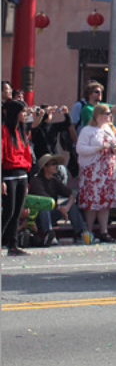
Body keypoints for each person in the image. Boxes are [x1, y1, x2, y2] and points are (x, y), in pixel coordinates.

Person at [75, 103, 116, 242]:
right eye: (107, 113)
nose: (110, 116)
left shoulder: (110, 128)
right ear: (98, 115)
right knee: (92, 202)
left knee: (105, 203)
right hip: (93, 172)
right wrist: (98, 148)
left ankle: (104, 231)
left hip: (108, 171)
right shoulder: (87, 130)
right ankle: (89, 231)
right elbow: (80, 148)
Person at [29, 153, 86, 244]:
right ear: (45, 167)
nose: (56, 166)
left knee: (72, 206)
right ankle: (49, 234)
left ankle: (80, 233)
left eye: (56, 164)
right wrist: (59, 208)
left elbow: (71, 195)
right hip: (38, 217)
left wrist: (66, 207)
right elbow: (45, 201)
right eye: (53, 164)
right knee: (44, 208)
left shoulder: (54, 180)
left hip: (53, 212)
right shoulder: (36, 181)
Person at [3, 99, 35, 255]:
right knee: (8, 211)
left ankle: (13, 245)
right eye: (23, 112)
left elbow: (27, 154)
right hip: (8, 175)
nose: (25, 115)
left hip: (22, 173)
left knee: (17, 212)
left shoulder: (22, 131)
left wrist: (27, 178)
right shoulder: (4, 130)